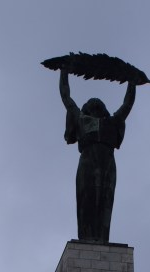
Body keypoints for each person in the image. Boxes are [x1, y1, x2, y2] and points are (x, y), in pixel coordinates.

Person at [58, 69, 137, 244]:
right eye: (91, 104)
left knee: (105, 200)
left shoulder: (112, 122)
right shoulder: (81, 119)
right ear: (86, 108)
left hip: (107, 163)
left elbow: (127, 105)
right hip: (87, 161)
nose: (95, 104)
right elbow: (66, 98)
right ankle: (87, 237)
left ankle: (101, 237)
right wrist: (64, 72)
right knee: (86, 199)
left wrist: (132, 82)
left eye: (98, 105)